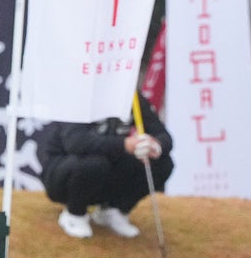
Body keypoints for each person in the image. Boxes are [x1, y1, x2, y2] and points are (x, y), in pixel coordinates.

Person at [37, 96, 174, 240]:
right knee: (95, 163)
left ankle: (114, 210)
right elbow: (75, 142)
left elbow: (164, 136)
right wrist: (124, 144)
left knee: (162, 164)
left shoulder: (131, 97)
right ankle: (74, 214)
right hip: (63, 175)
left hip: (106, 173)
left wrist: (154, 145)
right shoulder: (81, 95)